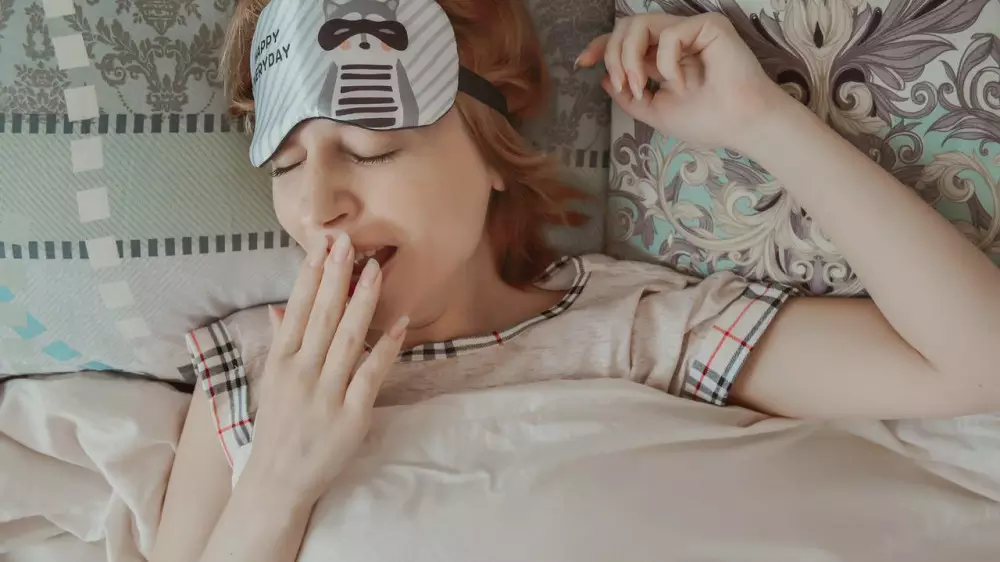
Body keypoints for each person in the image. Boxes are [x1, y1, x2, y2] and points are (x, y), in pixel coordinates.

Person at [152, 1, 1000, 560]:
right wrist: (279, 478)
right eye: (286, 163)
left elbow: (975, 365)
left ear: (493, 151)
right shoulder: (253, 371)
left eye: (372, 149)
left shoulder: (633, 327)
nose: (316, 207)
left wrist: (761, 122)